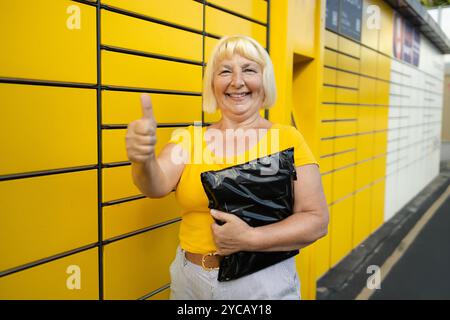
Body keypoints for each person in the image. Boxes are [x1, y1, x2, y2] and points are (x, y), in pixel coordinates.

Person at [125, 35, 329, 300]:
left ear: (264, 81)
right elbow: (155, 184)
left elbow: (316, 221)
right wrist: (142, 160)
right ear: (213, 84)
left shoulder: (287, 140)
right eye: (225, 71)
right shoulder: (189, 139)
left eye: (248, 70)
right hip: (190, 281)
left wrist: (250, 238)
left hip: (262, 283)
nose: (237, 81)